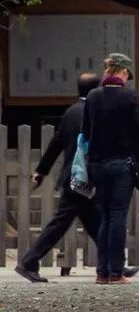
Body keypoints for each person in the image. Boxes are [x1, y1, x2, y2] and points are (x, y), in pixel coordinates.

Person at [15, 74, 103, 283]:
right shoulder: (92, 112)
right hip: (82, 177)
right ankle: (28, 262)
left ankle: (114, 263)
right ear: (95, 90)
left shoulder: (71, 112)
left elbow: (57, 142)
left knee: (95, 223)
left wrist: (42, 170)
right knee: (61, 224)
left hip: (72, 176)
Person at [81, 52, 139, 284]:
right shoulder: (129, 96)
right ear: (122, 72)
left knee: (105, 216)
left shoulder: (92, 96)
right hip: (122, 165)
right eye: (127, 73)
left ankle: (102, 272)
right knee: (118, 215)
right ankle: (116, 272)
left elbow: (86, 133)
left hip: (97, 165)